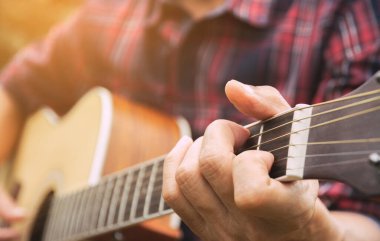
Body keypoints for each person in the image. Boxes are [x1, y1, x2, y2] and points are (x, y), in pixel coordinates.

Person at [0, 0, 379, 240]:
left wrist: (308, 232)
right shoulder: (103, 15)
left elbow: (365, 221)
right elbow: (14, 89)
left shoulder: (342, 12)